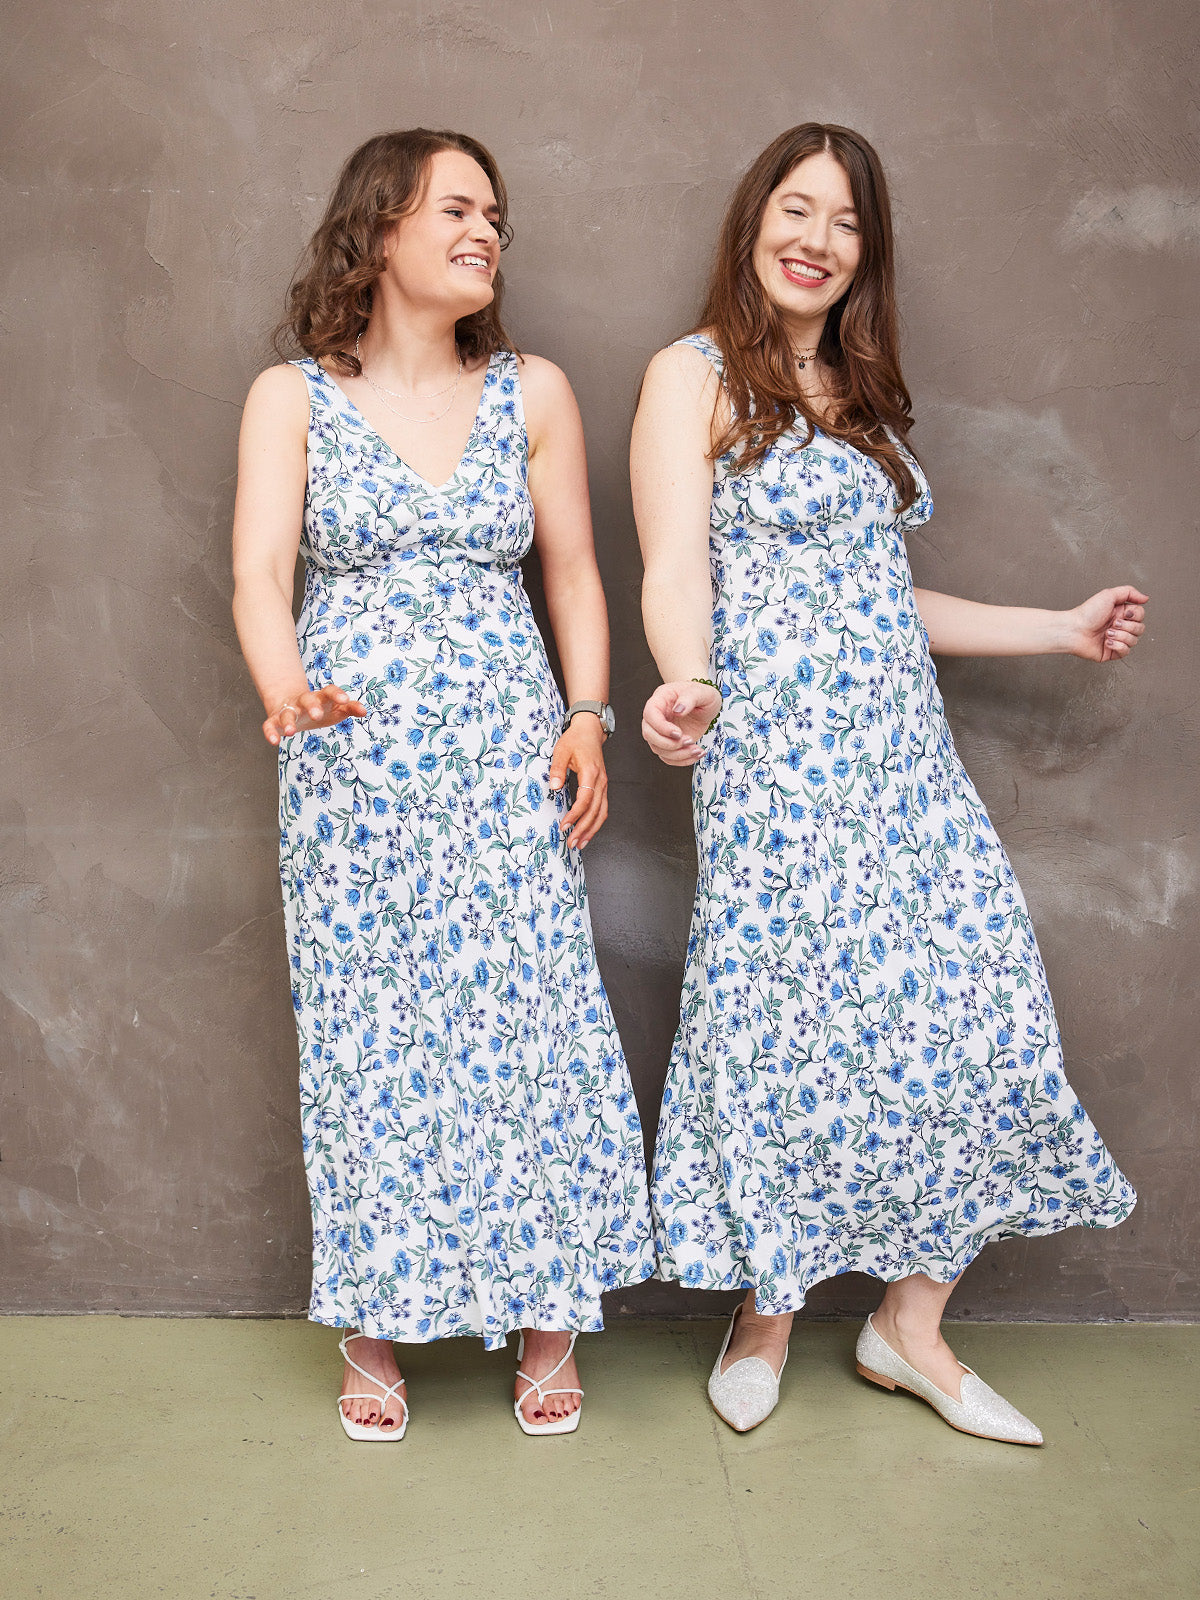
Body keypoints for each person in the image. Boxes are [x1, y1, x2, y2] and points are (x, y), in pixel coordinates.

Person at [632, 123, 1142, 1443]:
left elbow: (885, 604)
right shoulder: (689, 379)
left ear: (869, 253)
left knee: (988, 1022)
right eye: (793, 210)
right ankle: (769, 1310)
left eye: (845, 221)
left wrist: (1059, 626)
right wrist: (683, 680)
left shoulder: (860, 403)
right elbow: (676, 565)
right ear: (753, 226)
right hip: (775, 770)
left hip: (909, 776)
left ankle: (907, 1329)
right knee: (785, 1039)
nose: (815, 238)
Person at [232, 128, 653, 1441]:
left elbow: (577, 573)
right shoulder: (290, 397)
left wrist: (590, 718)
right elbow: (256, 575)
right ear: (381, 226)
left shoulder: (536, 392)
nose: (487, 232)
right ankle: (374, 1327)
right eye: (458, 208)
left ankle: (547, 1316)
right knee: (370, 1043)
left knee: (530, 1028)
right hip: (352, 774)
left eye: (496, 218)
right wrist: (284, 685)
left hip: (507, 762)